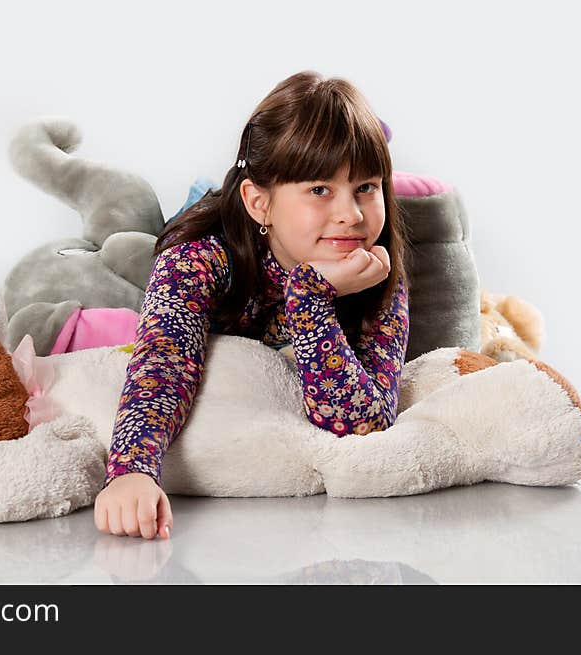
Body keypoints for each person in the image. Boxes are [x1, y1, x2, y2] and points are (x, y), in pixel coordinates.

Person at [93, 71, 410, 540]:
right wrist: (131, 469)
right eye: (320, 189)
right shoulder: (197, 256)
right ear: (260, 203)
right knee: (114, 294)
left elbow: (360, 422)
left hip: (288, 264)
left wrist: (311, 299)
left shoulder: (374, 266)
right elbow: (164, 361)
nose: (354, 215)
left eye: (366, 186)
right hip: (225, 246)